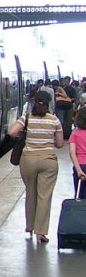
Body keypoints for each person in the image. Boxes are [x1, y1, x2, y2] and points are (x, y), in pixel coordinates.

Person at [8, 88, 64, 243]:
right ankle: (41, 232)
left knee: (30, 193)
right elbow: (59, 144)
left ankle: (29, 227)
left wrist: (26, 133)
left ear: (34, 101)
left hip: (28, 161)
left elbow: (12, 132)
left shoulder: (26, 118)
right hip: (48, 161)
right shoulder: (54, 120)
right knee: (44, 197)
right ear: (49, 103)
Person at [69, 108, 86, 195]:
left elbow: (72, 153)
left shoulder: (75, 133)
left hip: (80, 165)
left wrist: (78, 170)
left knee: (80, 195)